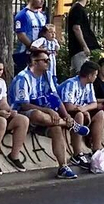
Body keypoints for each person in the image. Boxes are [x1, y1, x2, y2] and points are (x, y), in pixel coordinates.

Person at [13, 48, 77, 178]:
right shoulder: (23, 78)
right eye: (45, 60)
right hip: (23, 114)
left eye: (48, 60)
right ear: (35, 62)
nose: (48, 63)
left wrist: (66, 115)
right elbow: (24, 105)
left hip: (47, 117)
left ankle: (63, 167)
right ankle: (70, 125)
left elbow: (55, 98)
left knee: (57, 129)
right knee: (37, 113)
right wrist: (49, 111)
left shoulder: (47, 76)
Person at [0, 54, 30, 171]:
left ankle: (14, 155)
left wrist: (10, 111)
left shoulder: (1, 82)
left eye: (1, 70)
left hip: (0, 113)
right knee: (1, 121)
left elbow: (3, 102)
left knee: (23, 120)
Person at [60, 60, 104, 164]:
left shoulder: (88, 85)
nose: (96, 77)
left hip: (80, 110)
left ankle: (96, 150)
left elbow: (94, 103)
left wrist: (84, 108)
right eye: (95, 75)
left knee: (100, 114)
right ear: (90, 75)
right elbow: (68, 106)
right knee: (79, 115)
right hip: (65, 114)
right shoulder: (71, 84)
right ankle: (77, 154)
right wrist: (82, 110)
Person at [13, 0, 48, 73]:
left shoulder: (43, 16)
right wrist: (33, 47)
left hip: (40, 54)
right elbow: (21, 35)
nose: (42, 1)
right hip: (24, 54)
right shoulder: (22, 15)